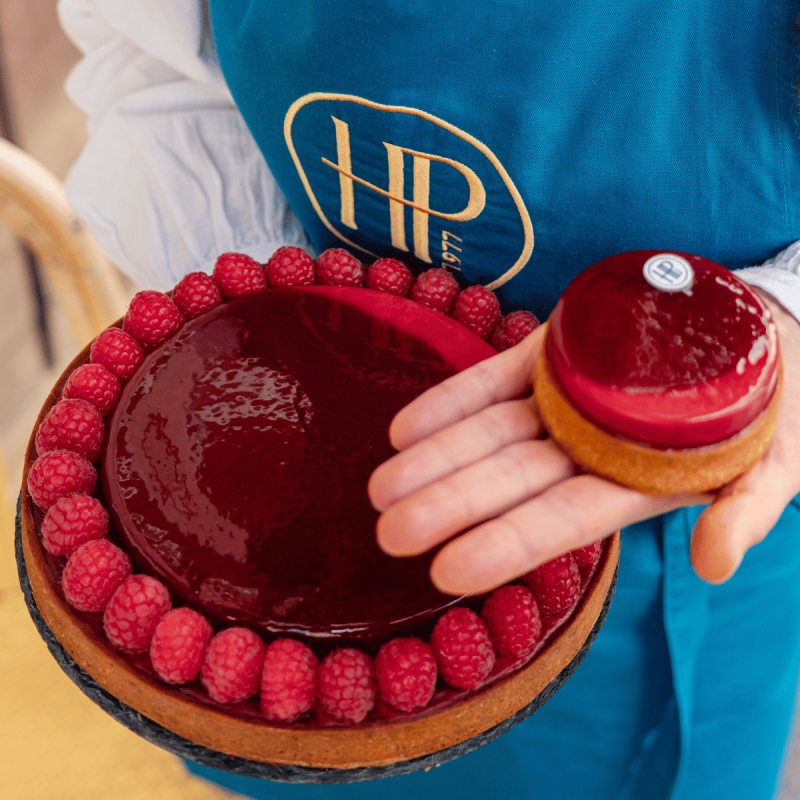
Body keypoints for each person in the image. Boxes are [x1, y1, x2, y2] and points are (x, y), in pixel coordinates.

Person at [57, 1, 800, 798]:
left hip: (665, 489)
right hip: (271, 506)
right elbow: (157, 54)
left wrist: (782, 318)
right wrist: (264, 319)